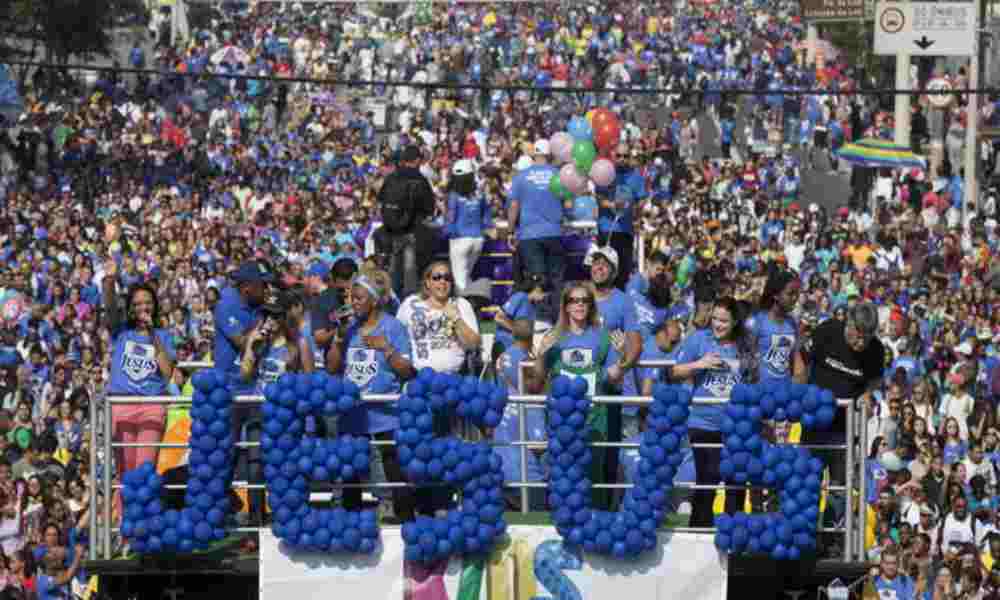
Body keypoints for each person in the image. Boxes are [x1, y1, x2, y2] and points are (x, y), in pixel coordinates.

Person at [326, 269, 417, 519]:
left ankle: (405, 523)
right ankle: (349, 526)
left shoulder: (394, 327)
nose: (353, 303)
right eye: (351, 298)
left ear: (374, 300)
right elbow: (332, 368)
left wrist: (386, 348)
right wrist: (338, 339)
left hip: (386, 416)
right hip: (353, 415)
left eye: (359, 298)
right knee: (350, 476)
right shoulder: (348, 329)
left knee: (396, 473)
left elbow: (408, 372)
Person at [532, 283, 626, 510]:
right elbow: (538, 378)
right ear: (565, 306)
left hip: (595, 419)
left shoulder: (603, 337)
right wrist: (540, 355)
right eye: (574, 300)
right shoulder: (553, 337)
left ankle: (597, 531)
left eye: (584, 300)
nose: (579, 305)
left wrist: (621, 359)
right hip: (562, 421)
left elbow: (613, 378)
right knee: (563, 478)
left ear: (591, 305)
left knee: (594, 478)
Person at [671, 297, 749, 527]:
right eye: (715, 318)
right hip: (703, 424)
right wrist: (699, 365)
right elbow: (674, 371)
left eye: (724, 320)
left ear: (735, 322)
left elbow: (754, 379)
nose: (717, 324)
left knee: (736, 483)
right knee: (708, 479)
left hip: (736, 426)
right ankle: (699, 534)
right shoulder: (698, 340)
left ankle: (733, 536)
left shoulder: (744, 345)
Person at [102, 257, 176, 475]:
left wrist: (153, 334)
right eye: (137, 304)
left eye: (147, 302)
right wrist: (109, 279)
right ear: (131, 309)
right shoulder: (121, 331)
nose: (143, 307)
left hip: (151, 407)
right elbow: (109, 305)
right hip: (121, 405)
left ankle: (142, 509)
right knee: (125, 471)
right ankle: (123, 510)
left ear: (154, 306)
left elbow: (167, 371)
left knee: (144, 470)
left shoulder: (163, 336)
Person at [508, 140, 565, 310]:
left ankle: (533, 325)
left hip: (529, 235)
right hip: (554, 232)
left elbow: (513, 206)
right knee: (556, 282)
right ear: (549, 154)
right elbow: (567, 204)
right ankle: (558, 323)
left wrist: (511, 231)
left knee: (536, 281)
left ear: (534, 154)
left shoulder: (521, 176)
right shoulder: (559, 174)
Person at [396, 261, 481, 375]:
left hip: (453, 378)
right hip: (419, 377)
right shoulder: (410, 304)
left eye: (447, 278)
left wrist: (456, 318)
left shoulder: (461, 305)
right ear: (427, 282)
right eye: (436, 277)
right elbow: (397, 335)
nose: (442, 281)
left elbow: (474, 344)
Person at [375, 145, 437, 299]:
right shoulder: (420, 180)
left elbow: (380, 200)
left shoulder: (391, 177)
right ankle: (409, 303)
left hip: (391, 230)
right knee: (410, 269)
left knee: (394, 268)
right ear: (417, 160)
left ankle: (392, 300)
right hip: (413, 231)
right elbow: (429, 208)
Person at [745, 268, 806, 384]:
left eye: (796, 294)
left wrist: (797, 383)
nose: (795, 298)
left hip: (784, 394)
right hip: (760, 394)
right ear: (776, 295)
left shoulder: (792, 323)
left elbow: (797, 362)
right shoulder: (756, 322)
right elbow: (745, 358)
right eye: (790, 294)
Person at [445, 159, 492, 295]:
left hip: (460, 240)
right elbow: (487, 218)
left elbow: (451, 219)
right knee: (466, 277)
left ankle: (464, 310)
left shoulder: (453, 195)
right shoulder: (480, 194)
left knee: (459, 281)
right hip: (478, 240)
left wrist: (445, 230)